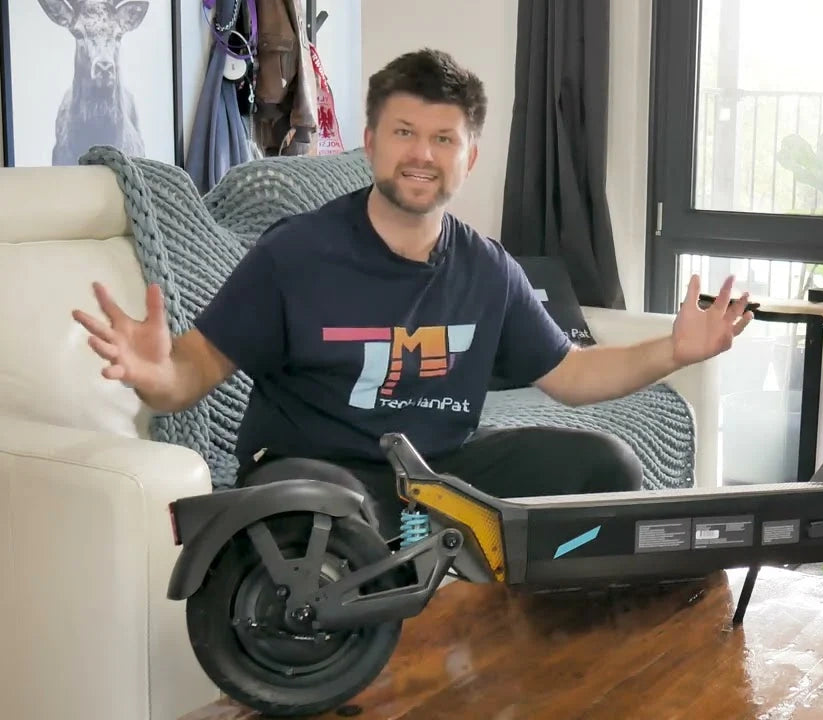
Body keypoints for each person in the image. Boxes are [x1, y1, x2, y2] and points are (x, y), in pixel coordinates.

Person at [71, 48, 753, 540]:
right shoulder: (295, 254)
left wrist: (674, 350)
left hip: (438, 471)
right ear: (369, 143)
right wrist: (157, 377)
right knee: (339, 513)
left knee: (606, 465)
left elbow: (570, 375)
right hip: (315, 471)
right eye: (404, 133)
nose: (421, 154)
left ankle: (545, 649)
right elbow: (192, 370)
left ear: (469, 158)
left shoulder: (488, 269)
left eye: (442, 138)